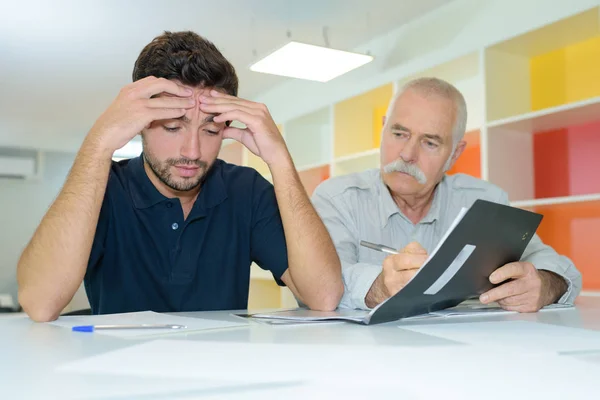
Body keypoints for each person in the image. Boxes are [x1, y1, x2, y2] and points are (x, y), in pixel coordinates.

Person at [17, 31, 343, 322]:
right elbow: (39, 302)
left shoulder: (247, 190)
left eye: (211, 130)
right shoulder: (104, 189)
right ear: (141, 122)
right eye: (173, 127)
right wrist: (98, 144)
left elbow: (324, 296)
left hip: (219, 383)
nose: (192, 151)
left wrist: (280, 159)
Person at [312, 77, 581, 311]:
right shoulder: (336, 199)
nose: (407, 154)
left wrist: (544, 285)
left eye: (429, 142)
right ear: (383, 129)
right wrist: (378, 287)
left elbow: (554, 264)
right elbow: (316, 284)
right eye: (398, 133)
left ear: (455, 154)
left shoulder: (486, 201)